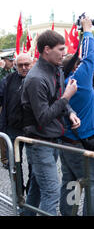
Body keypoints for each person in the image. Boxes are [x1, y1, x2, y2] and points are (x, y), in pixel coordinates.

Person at [21, 29, 80, 216]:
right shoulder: (36, 78)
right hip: (39, 142)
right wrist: (67, 98)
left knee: (38, 187)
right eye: (61, 49)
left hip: (51, 139)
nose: (64, 53)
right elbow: (44, 117)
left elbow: (57, 100)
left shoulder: (57, 71)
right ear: (47, 49)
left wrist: (70, 112)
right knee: (51, 192)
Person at [59, 17, 94, 216]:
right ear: (75, 67)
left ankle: (68, 214)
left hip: (67, 142)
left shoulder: (61, 81)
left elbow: (83, 58)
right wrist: (87, 31)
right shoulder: (79, 81)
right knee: (93, 184)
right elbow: (89, 57)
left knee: (71, 182)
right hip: (82, 144)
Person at [0, 53, 33, 196]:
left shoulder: (38, 78)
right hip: (13, 130)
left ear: (32, 64)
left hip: (33, 131)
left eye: (27, 64)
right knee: (14, 165)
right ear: (15, 65)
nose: (24, 68)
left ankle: (32, 195)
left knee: (35, 167)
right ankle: (19, 195)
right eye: (21, 65)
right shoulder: (8, 80)